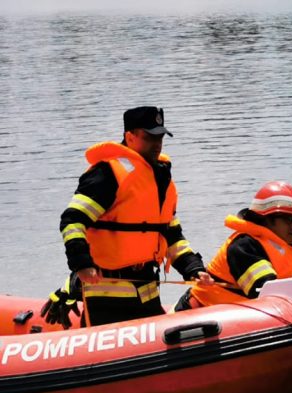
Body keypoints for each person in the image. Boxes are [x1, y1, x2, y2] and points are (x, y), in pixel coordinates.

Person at [42, 106, 212, 328]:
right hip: (107, 298)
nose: (157, 143)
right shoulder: (107, 174)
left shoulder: (160, 179)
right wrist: (81, 265)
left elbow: (173, 236)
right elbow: (72, 221)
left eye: (160, 137)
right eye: (149, 137)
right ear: (130, 137)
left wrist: (194, 269)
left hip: (147, 293)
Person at [174, 181, 292, 311]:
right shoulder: (244, 247)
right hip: (201, 312)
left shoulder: (288, 246)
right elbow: (265, 292)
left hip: (238, 314)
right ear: (267, 219)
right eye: (288, 220)